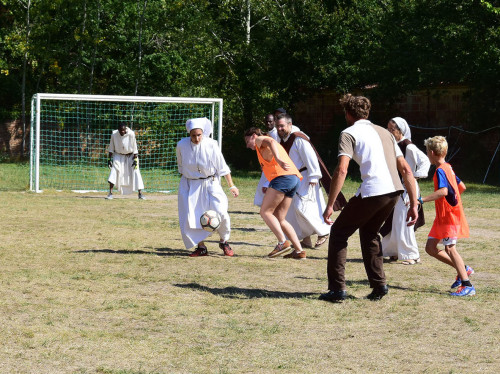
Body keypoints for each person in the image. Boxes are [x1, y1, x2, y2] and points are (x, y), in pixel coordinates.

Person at [319, 94, 418, 302]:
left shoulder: (348, 133)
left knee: (338, 232)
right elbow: (407, 170)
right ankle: (379, 285)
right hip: (394, 191)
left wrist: (330, 204)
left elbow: (342, 170)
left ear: (347, 113)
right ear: (367, 112)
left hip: (374, 190)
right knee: (369, 233)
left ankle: (337, 289)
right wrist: (414, 203)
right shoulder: (386, 132)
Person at [176, 117, 239, 257]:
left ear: (203, 133)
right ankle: (201, 246)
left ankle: (224, 241)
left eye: (199, 135)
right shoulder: (181, 145)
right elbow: (181, 165)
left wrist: (231, 185)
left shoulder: (211, 144)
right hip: (190, 184)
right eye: (193, 135)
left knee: (220, 211)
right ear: (189, 134)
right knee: (191, 216)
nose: (197, 138)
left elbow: (222, 166)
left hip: (211, 182)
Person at [421, 136, 475, 296]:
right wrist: (453, 201)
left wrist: (422, 200)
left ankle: (467, 285)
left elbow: (444, 191)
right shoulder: (448, 167)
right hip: (443, 217)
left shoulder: (440, 171)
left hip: (448, 217)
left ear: (431, 153)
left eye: (427, 152)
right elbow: (462, 187)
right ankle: (464, 269)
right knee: (430, 248)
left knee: (450, 248)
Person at [275, 113, 336, 249]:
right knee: (292, 210)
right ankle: (305, 239)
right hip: (291, 179)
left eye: (282, 126)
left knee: (304, 207)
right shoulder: (284, 140)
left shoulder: (298, 138)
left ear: (290, 125)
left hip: (306, 178)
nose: (279, 129)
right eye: (277, 126)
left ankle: (323, 232)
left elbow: (311, 157)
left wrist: (314, 176)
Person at [244, 127, 306, 259]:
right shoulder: (261, 149)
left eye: (247, 141)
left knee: (265, 212)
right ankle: (299, 251)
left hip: (283, 178)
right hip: (294, 179)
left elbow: (271, 142)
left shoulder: (260, 139)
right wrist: (268, 184)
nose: (247, 145)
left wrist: (278, 159)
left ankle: (282, 242)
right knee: (280, 218)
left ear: (253, 136)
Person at [380, 117, 430, 264]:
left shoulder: (408, 146)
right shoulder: (394, 145)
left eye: (392, 129)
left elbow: (425, 160)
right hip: (398, 187)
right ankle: (395, 251)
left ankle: (412, 254)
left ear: (400, 131)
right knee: (396, 220)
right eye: (387, 129)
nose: (389, 132)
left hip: (408, 188)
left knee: (404, 220)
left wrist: (416, 176)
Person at [253, 111, 302, 207]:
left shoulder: (279, 134)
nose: (268, 123)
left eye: (271, 122)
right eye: (267, 122)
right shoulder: (271, 133)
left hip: (282, 169)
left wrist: (278, 159)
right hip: (272, 167)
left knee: (267, 212)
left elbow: (273, 144)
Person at [106, 122, 145, 200]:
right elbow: (111, 148)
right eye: (121, 131)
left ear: (125, 129)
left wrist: (135, 159)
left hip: (130, 155)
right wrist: (109, 159)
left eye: (123, 130)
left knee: (136, 171)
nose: (122, 132)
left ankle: (140, 193)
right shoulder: (114, 134)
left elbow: (135, 148)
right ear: (118, 130)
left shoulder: (131, 134)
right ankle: (110, 193)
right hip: (118, 155)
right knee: (114, 170)